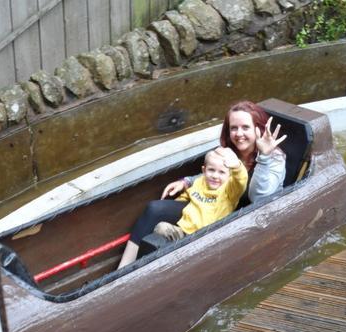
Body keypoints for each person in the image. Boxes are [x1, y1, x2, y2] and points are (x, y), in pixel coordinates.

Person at [117, 100, 287, 269]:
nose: (238, 133)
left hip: (248, 220)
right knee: (155, 209)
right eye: (234, 128)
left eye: (245, 127)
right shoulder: (230, 150)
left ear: (258, 128)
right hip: (215, 205)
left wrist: (264, 157)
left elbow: (261, 200)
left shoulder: (274, 158)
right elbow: (211, 173)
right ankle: (123, 269)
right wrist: (187, 182)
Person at [154, 147, 248, 241]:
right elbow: (183, 198)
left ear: (230, 175)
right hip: (184, 231)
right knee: (161, 227)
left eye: (222, 172)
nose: (215, 176)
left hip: (206, 237)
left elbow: (240, 181)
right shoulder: (199, 182)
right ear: (204, 171)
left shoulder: (230, 191)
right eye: (211, 170)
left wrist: (238, 167)